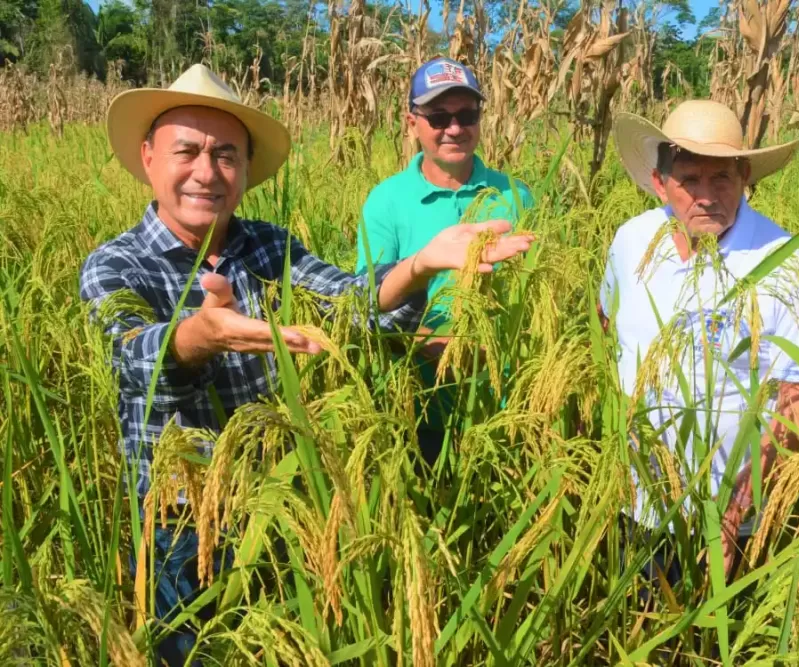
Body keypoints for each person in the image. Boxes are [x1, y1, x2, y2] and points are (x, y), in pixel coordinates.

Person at [79, 63, 534, 666]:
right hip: (180, 519)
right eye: (186, 151)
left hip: (281, 500)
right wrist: (199, 335)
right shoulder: (115, 265)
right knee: (184, 651)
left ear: (243, 168)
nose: (206, 172)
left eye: (226, 155)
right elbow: (132, 354)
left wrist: (420, 267)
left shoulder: (268, 247)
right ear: (148, 157)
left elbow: (351, 301)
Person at [599, 100, 799, 585]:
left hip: (732, 519)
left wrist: (732, 512)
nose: (706, 196)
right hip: (637, 500)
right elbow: (604, 322)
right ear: (661, 183)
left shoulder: (785, 260)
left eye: (720, 178)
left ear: (744, 176)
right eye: (689, 180)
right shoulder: (631, 241)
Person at [354, 57, 534, 464]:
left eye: (467, 114)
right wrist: (431, 348)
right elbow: (365, 299)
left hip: (502, 407)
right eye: (438, 117)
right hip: (417, 406)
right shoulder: (387, 200)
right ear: (411, 121)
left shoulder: (516, 196)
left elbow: (541, 294)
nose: (454, 128)